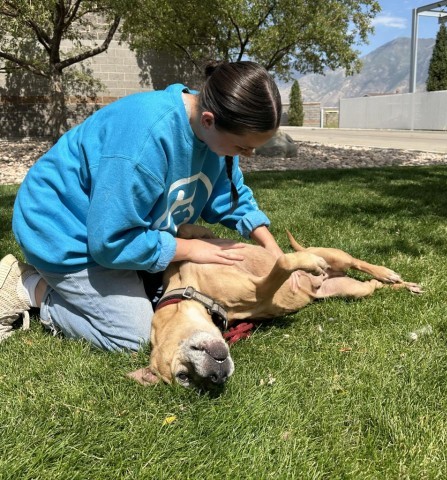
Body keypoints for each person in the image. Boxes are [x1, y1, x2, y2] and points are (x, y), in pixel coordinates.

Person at [0, 61, 284, 349]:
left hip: (117, 228)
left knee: (174, 292)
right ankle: (29, 287)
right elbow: (109, 241)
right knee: (134, 334)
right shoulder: (144, 141)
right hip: (63, 233)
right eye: (242, 147)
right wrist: (190, 249)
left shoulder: (217, 127)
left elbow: (228, 193)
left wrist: (274, 253)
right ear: (209, 120)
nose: (248, 154)